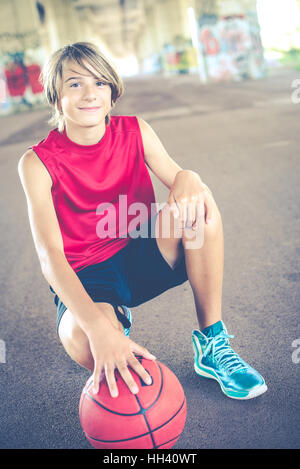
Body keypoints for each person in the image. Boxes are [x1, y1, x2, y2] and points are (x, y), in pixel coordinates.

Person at [18, 42, 267, 401]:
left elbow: (182, 182)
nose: (89, 93)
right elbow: (49, 257)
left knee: (202, 208)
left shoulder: (137, 131)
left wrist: (190, 176)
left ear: (112, 93)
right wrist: (99, 328)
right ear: (57, 97)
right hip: (87, 276)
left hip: (143, 252)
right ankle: (113, 319)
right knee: (92, 347)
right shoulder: (36, 163)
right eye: (75, 84)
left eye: (99, 83)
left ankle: (212, 342)